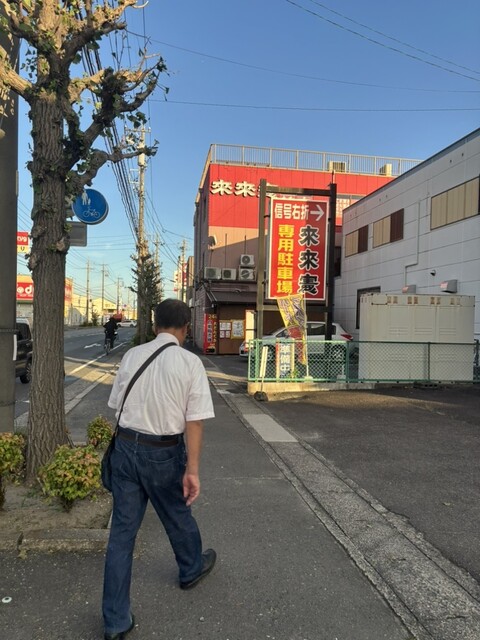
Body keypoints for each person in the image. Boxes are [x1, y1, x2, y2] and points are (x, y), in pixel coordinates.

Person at [102, 299, 216, 640]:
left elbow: (116, 406)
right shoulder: (190, 363)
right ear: (186, 328)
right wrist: (192, 470)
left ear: (155, 326)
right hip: (163, 452)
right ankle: (191, 568)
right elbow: (194, 422)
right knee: (177, 513)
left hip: (125, 448)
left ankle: (115, 622)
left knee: (122, 535)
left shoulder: (132, 356)